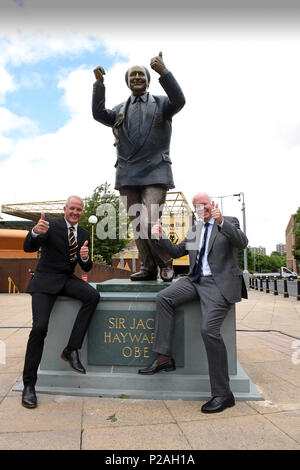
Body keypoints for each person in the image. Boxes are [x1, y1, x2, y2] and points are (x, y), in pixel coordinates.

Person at [139, 193, 248, 413]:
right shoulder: (194, 229)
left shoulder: (228, 221)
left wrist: (220, 222)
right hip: (194, 280)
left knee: (209, 330)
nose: (202, 208)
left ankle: (223, 394)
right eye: (198, 205)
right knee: (164, 298)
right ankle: (164, 358)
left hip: (218, 284)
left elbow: (242, 242)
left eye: (205, 204)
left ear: (212, 205)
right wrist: (160, 237)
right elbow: (178, 251)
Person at [92, 52, 185, 282]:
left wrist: (164, 72)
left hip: (155, 171)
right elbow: (98, 114)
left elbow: (180, 100)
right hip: (127, 172)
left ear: (148, 79)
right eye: (132, 75)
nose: (136, 78)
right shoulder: (119, 110)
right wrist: (99, 85)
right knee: (137, 223)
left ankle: (165, 263)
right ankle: (148, 266)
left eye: (140, 74)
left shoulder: (162, 104)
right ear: (127, 81)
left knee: (151, 220)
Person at [21, 196, 100, 409]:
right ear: (65, 209)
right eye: (72, 208)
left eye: (79, 209)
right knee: (39, 328)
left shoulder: (83, 233)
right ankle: (29, 385)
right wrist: (36, 232)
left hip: (66, 279)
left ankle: (71, 349)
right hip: (45, 280)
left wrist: (84, 258)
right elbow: (28, 247)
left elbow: (86, 267)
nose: (75, 212)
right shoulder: (51, 225)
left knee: (92, 296)